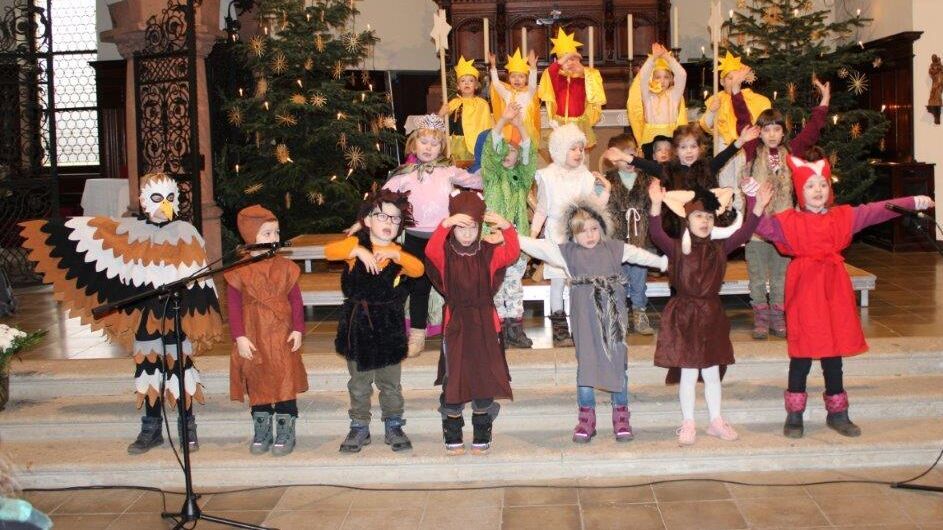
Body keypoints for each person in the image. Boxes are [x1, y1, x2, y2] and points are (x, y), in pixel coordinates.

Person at [20, 173, 222, 454]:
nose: (164, 205)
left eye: (170, 197)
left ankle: (186, 424)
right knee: (148, 367)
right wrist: (46, 229)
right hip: (144, 313)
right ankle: (151, 426)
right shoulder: (128, 232)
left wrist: (199, 315)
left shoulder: (186, 234)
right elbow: (88, 233)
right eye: (156, 198)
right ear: (143, 200)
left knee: (179, 365)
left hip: (176, 312)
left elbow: (200, 277)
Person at [748, 153, 935, 438]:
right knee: (802, 353)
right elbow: (760, 227)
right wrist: (756, 204)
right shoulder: (789, 221)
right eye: (810, 186)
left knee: (833, 353)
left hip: (834, 290)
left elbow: (876, 210)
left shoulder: (842, 217)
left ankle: (838, 413)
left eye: (822, 185)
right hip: (804, 291)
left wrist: (913, 202)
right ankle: (795, 414)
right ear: (800, 191)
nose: (818, 190)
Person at [520, 198, 667, 443]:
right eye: (582, 231)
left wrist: (664, 262)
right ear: (572, 234)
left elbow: (640, 255)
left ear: (602, 227)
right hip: (585, 318)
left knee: (617, 361)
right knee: (586, 363)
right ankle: (586, 417)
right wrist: (510, 234)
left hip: (613, 316)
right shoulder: (567, 253)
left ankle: (621, 414)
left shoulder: (614, 248)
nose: (589, 235)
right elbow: (539, 247)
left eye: (593, 229)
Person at [648, 178, 773, 446]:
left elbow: (744, 234)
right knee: (689, 372)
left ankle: (716, 420)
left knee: (713, 372)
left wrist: (758, 207)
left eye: (708, 217)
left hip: (711, 316)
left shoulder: (720, 248)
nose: (704, 221)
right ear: (687, 220)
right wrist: (656, 205)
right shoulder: (677, 248)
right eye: (698, 216)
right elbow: (656, 234)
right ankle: (688, 422)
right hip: (685, 316)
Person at [357, 114, 483, 357]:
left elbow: (477, 181)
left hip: (443, 239)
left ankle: (460, 331)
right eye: (424, 142)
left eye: (434, 144)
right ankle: (417, 334)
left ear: (441, 147)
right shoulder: (403, 174)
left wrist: (494, 169)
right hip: (414, 239)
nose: (428, 147)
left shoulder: (448, 171)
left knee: (452, 284)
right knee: (419, 286)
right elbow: (381, 199)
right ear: (413, 144)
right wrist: (362, 221)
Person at [732, 74, 830, 339]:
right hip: (756, 230)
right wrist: (736, 90)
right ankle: (761, 318)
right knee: (756, 276)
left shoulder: (792, 152)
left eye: (777, 130)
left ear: (783, 133)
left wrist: (824, 101)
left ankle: (777, 315)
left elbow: (812, 131)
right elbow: (742, 117)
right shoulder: (752, 150)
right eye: (766, 130)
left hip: (785, 228)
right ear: (759, 133)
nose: (772, 135)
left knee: (780, 276)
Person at [328, 190, 425, 453]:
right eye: (382, 216)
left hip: (389, 327)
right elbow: (330, 251)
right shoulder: (355, 246)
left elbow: (418, 269)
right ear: (368, 220)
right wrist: (358, 250)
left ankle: (393, 424)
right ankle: (359, 425)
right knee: (359, 383)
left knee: (390, 383)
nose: (389, 222)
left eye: (395, 218)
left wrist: (396, 256)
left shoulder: (398, 252)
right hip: (358, 326)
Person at [424, 190, 519, 455]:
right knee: (454, 376)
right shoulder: (445, 254)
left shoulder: (488, 251)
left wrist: (507, 227)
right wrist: (445, 224)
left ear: (480, 228)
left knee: (483, 376)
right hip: (456, 324)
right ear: (453, 228)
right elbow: (430, 250)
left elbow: (511, 253)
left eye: (473, 227)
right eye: (461, 228)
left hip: (485, 323)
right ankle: (452, 429)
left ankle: (482, 428)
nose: (467, 234)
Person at [225, 205, 307, 456]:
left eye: (276, 233)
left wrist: (298, 329)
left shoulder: (286, 267)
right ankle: (261, 425)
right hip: (253, 331)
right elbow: (233, 306)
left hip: (281, 332)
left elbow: (296, 300)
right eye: (267, 233)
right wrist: (240, 336)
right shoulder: (239, 270)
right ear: (251, 236)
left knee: (284, 376)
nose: (274, 238)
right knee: (257, 377)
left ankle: (285, 425)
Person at [530, 123, 611, 347]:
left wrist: (606, 191)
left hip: (579, 235)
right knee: (557, 281)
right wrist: (533, 236)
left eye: (581, 149)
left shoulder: (585, 177)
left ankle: (581, 324)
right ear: (559, 150)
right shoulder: (547, 176)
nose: (578, 153)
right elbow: (542, 209)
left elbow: (595, 207)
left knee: (579, 283)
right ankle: (559, 326)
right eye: (572, 148)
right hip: (556, 234)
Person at [479, 103, 538, 348]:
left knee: (514, 286)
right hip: (493, 241)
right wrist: (503, 120)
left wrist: (520, 126)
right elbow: (489, 151)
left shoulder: (522, 179)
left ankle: (515, 328)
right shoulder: (491, 176)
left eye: (512, 150)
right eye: (502, 149)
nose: (506, 153)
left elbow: (530, 154)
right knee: (496, 286)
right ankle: (499, 329)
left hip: (516, 243)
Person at [600, 133, 659, 334]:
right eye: (623, 157)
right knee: (619, 278)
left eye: (632, 154)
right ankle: (620, 313)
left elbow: (654, 205)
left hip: (640, 238)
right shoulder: (608, 180)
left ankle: (639, 311)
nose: (628, 161)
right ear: (613, 159)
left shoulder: (647, 179)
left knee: (639, 279)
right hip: (617, 239)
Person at [537, 28, 606, 147]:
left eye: (573, 59)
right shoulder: (556, 77)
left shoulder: (584, 77)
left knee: (579, 151)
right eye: (566, 60)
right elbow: (550, 71)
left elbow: (594, 78)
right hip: (561, 123)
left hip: (579, 123)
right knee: (562, 151)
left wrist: (582, 70)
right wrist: (570, 55)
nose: (569, 63)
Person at [627, 43, 688, 154]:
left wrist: (667, 57)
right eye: (658, 77)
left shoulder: (674, 95)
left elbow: (682, 75)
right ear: (652, 79)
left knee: (669, 163)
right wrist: (653, 58)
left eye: (666, 77)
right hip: (650, 136)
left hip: (670, 135)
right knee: (651, 163)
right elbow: (643, 75)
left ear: (671, 79)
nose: (662, 81)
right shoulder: (648, 95)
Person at [440, 56, 494, 164]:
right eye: (463, 81)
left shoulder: (482, 104)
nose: (467, 83)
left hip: (476, 142)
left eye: (471, 81)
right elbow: (442, 124)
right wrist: (441, 114)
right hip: (458, 143)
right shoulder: (454, 103)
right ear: (458, 86)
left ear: (476, 85)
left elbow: (486, 124)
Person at [489, 48, 541, 145]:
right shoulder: (507, 93)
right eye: (513, 77)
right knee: (511, 149)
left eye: (521, 77)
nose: (517, 80)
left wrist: (533, 67)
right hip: (510, 128)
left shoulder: (529, 93)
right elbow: (496, 84)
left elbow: (533, 83)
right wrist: (493, 66)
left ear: (526, 79)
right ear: (509, 78)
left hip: (524, 129)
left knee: (524, 149)